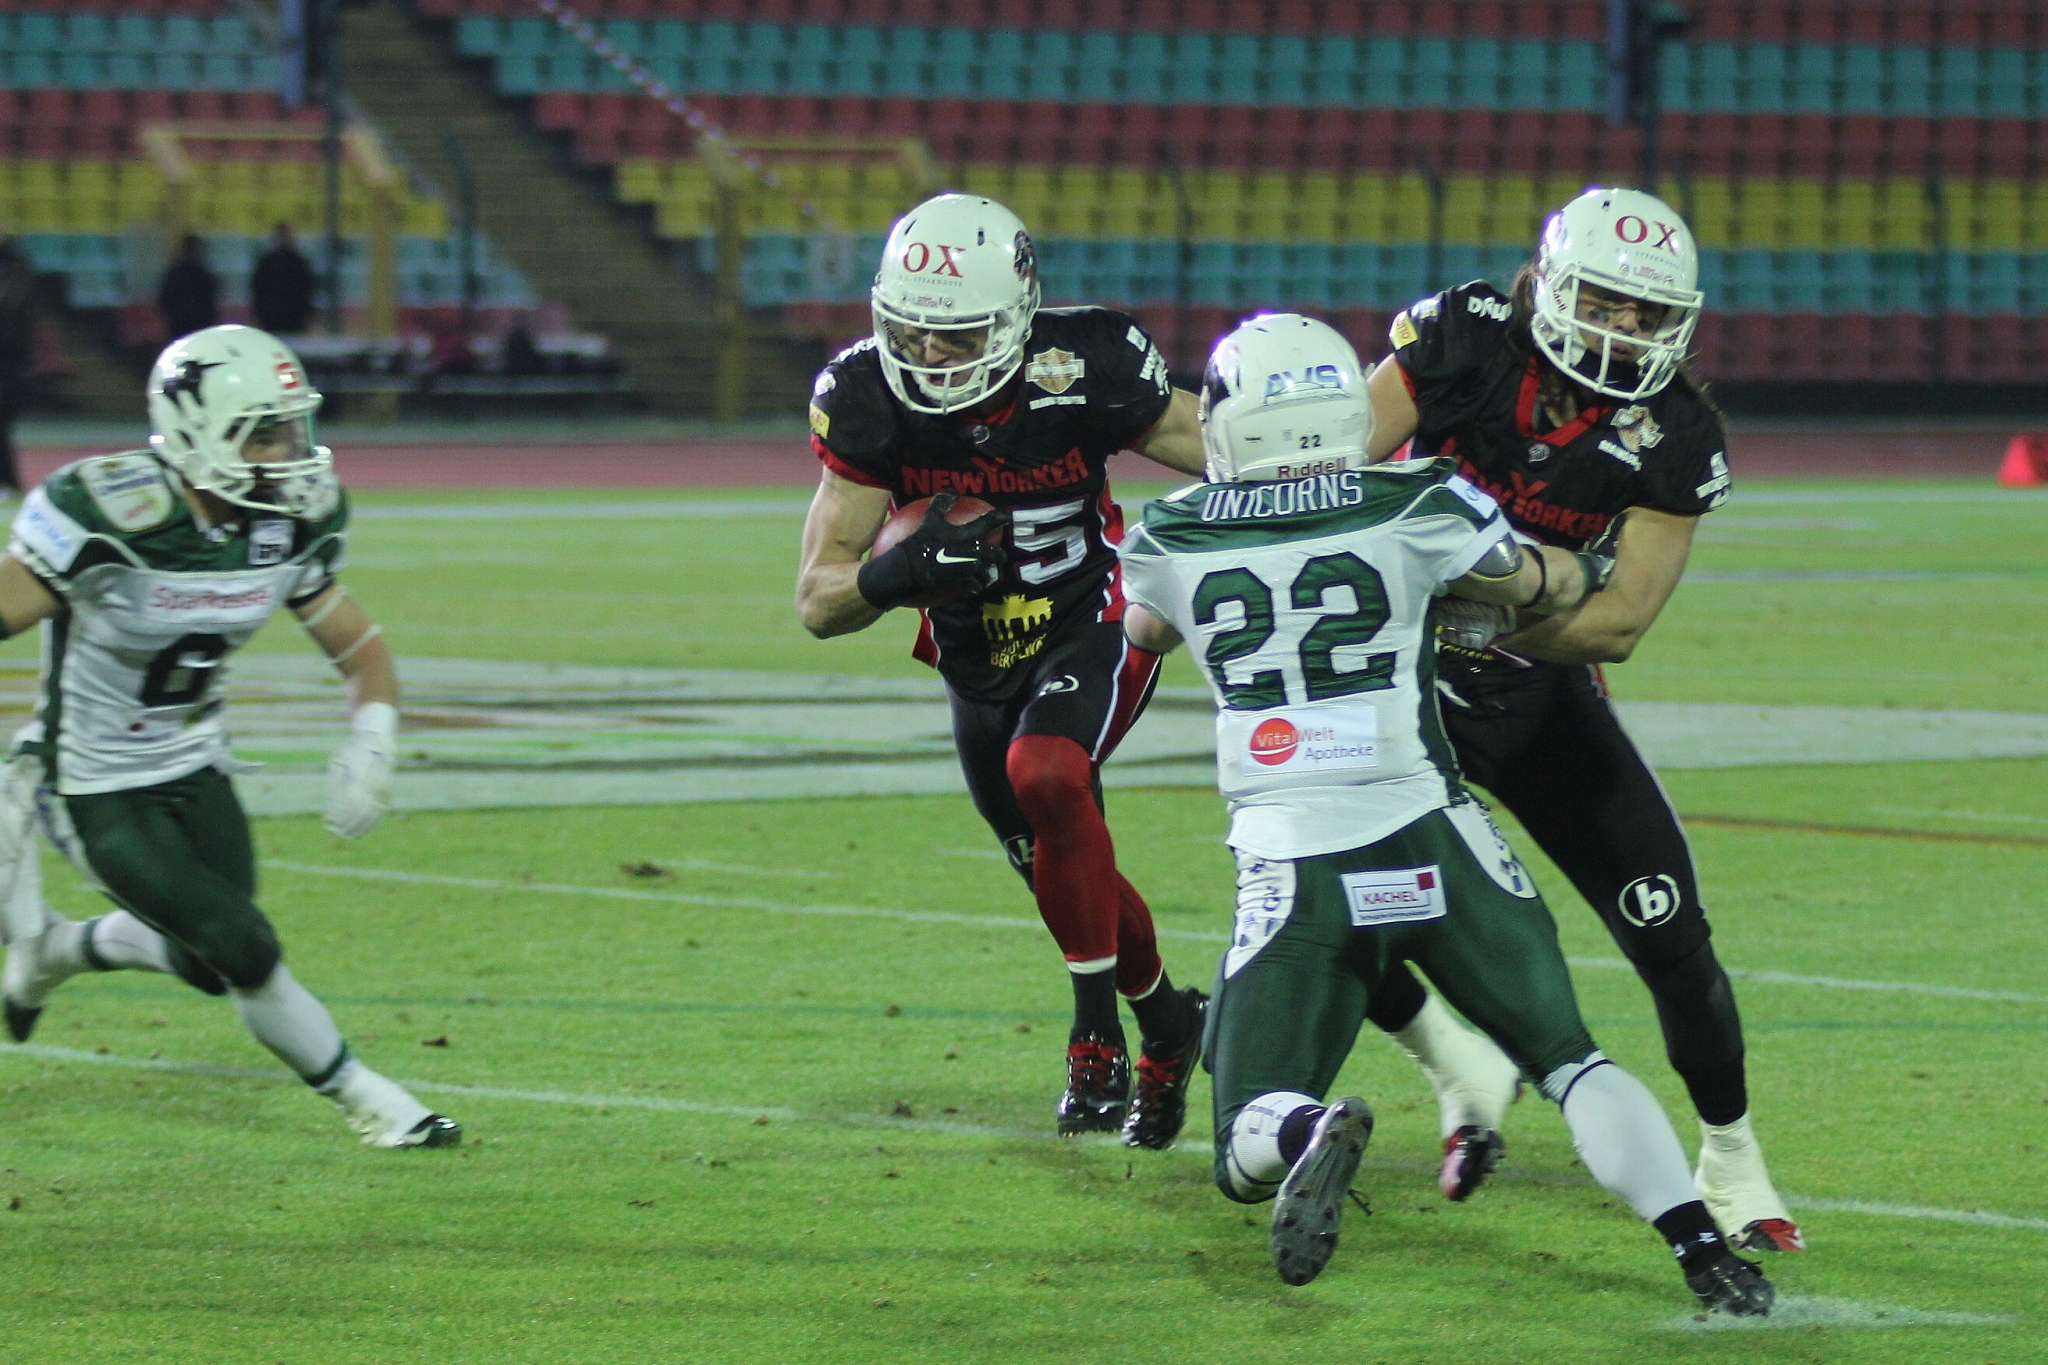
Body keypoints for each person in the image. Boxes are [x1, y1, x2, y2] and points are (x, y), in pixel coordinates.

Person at [1117, 312, 1774, 1314]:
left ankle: (1306, 1130)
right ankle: (1702, 1251)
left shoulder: (1167, 532)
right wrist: (1568, 572)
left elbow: (1147, 628)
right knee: (1573, 1061)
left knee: (1242, 1141)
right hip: (1433, 833)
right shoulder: (1422, 500)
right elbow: (1534, 581)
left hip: (1297, 862)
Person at [1355, 188, 1800, 1253]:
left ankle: (1730, 1153)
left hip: (1535, 697)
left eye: (1648, 315)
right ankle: (1458, 1064)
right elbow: (1331, 471)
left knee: (1670, 934)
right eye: (1605, 303)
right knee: (1335, 906)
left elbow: (1620, 621)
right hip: (1395, 690)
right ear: (1547, 289)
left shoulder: (1673, 429)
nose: (1624, 332)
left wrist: (1482, 614)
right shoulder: (1464, 339)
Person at [795, 193, 1210, 1147]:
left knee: (1048, 773)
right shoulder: (864, 395)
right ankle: (1168, 1022)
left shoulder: (1085, 362)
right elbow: (818, 600)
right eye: (911, 329)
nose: (930, 353)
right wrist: (900, 572)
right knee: (1055, 861)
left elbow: (1223, 450)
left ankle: (1095, 1035)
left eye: (956, 332)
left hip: (1091, 617)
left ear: (1018, 315)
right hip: (973, 655)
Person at [0, 323, 460, 1150]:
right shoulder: (114, 511)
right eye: (264, 432)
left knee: (208, 960)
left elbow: (359, 648)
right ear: (197, 433)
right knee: (242, 944)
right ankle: (378, 1103)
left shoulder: (287, 519)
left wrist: (373, 738)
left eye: (291, 427)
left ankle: (53, 950)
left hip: (194, 763)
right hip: (91, 779)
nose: (289, 451)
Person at [0, 232, 34, 496]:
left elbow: (13, 313)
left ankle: (8, 481)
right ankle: (8, 481)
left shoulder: (14, 269)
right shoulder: (16, 268)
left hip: (8, 359)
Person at [250, 224, 316, 335]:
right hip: (270, 320)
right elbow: (258, 290)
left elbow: (307, 290)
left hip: (294, 319)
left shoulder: (299, 263)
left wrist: (305, 315)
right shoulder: (266, 263)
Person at [157, 234, 220, 342]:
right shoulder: (204, 276)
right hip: (200, 325)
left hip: (178, 325)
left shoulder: (174, 273)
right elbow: (212, 301)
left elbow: (164, 299)